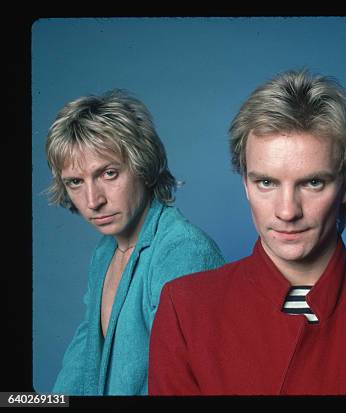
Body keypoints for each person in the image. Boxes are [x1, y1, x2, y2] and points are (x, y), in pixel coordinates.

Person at [148, 69, 346, 395]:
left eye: (312, 182)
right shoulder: (185, 306)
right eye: (266, 182)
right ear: (245, 184)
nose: (287, 211)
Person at [45, 89, 225, 395]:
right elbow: (85, 356)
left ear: (142, 166)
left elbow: (185, 382)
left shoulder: (183, 251)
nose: (93, 200)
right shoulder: (105, 253)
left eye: (109, 173)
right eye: (75, 182)